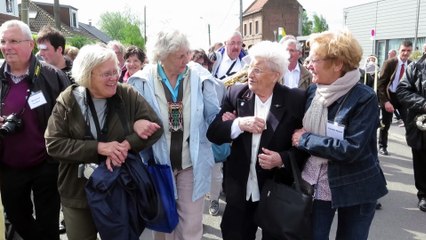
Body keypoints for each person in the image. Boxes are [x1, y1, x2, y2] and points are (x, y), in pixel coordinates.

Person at [44, 44, 163, 240]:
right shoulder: (69, 100)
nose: (114, 78)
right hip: (78, 191)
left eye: (115, 71)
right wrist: (99, 148)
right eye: (106, 74)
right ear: (87, 75)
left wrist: (126, 145)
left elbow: (155, 128)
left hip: (121, 187)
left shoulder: (127, 94)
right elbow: (53, 144)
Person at [292, 29, 388, 240]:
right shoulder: (313, 92)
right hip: (316, 183)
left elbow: (351, 148)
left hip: (356, 185)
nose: (308, 64)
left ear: (338, 64)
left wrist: (305, 139)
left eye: (314, 59)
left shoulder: (364, 97)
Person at [207, 40, 307, 240]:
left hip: (276, 191)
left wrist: (282, 159)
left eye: (258, 70)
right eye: (250, 67)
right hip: (239, 189)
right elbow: (214, 132)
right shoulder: (236, 93)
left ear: (276, 75)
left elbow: (304, 145)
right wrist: (238, 124)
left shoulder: (294, 100)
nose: (250, 74)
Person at [127, 29, 220, 240]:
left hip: (190, 164)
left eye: (187, 53)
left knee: (191, 225)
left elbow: (214, 115)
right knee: (163, 225)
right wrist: (136, 124)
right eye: (180, 55)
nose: (186, 59)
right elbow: (127, 121)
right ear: (162, 56)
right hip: (158, 166)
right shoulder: (141, 82)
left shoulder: (198, 77)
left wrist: (229, 121)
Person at [0, 19, 71, 239]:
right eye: (3, 41)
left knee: (48, 221)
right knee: (15, 215)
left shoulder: (53, 76)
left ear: (30, 44)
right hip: (9, 164)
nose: (7, 46)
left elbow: (71, 118)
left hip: (46, 164)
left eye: (13, 41)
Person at [396, 52, 426, 212]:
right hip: (421, 123)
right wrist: (423, 104)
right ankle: (423, 195)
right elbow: (401, 91)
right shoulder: (415, 67)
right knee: (421, 160)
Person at [377, 40, 412, 155]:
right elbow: (380, 84)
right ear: (399, 50)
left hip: (403, 97)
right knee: (386, 124)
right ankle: (382, 146)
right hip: (389, 95)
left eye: (408, 51)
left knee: (410, 123)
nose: (405, 53)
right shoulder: (390, 63)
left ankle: (415, 148)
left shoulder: (411, 64)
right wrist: (385, 102)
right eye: (403, 50)